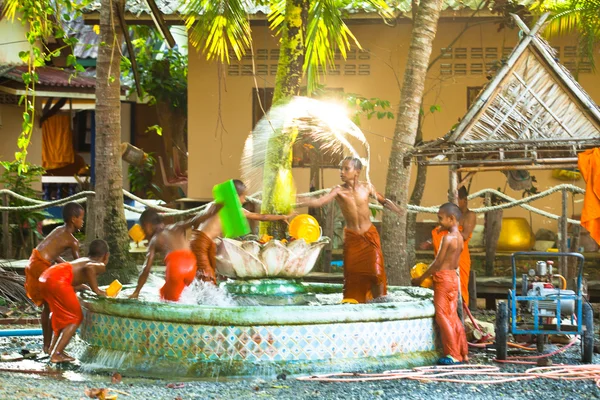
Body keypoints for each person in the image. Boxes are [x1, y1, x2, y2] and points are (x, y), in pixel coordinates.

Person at [296, 157, 403, 303]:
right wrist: (300, 200)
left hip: (370, 236)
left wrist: (399, 210)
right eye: (341, 169)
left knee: (376, 272)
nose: (342, 172)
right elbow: (320, 201)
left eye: (346, 169)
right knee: (353, 274)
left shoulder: (367, 187)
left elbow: (383, 201)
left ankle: (381, 302)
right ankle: (355, 303)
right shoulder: (338, 191)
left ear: (357, 172)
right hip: (353, 239)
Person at [190, 179, 293, 285]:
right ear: (235, 196)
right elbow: (262, 217)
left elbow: (196, 222)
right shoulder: (233, 209)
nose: (244, 200)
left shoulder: (214, 205)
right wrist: (283, 217)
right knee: (207, 278)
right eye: (243, 197)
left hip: (200, 240)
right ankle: (202, 299)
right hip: (201, 243)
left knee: (208, 274)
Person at [412, 203, 469, 365]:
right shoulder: (459, 238)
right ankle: (463, 352)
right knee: (454, 317)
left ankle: (452, 354)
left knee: (442, 316)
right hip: (453, 278)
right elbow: (455, 262)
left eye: (441, 218)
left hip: (443, 278)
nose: (439, 222)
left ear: (451, 219)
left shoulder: (447, 238)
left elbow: (437, 264)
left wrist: (420, 278)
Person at [24, 201, 84, 354]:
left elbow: (54, 254)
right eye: (81, 218)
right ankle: (52, 348)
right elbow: (80, 266)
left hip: (34, 261)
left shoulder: (58, 229)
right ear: (73, 219)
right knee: (54, 303)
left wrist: (64, 267)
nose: (82, 221)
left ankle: (47, 347)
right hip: (40, 266)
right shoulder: (73, 241)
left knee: (48, 306)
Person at [129, 204, 222, 301]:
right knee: (173, 294)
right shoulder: (176, 227)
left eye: (144, 230)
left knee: (167, 300)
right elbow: (195, 220)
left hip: (177, 266)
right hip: (191, 265)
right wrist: (213, 211)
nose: (144, 233)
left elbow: (146, 269)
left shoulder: (155, 239)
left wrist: (136, 292)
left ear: (147, 225)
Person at [39, 239, 109, 363]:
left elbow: (73, 274)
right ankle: (57, 354)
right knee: (76, 317)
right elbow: (89, 269)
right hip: (58, 280)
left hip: (47, 277)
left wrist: (80, 285)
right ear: (105, 256)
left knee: (61, 315)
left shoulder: (82, 260)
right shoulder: (99, 264)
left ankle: (53, 349)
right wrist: (96, 290)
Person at [428, 186, 476, 306]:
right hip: (445, 261)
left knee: (461, 292)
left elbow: (464, 235)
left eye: (455, 199)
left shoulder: (469, 215)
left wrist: (448, 227)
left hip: (460, 257)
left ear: (464, 200)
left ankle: (461, 319)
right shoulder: (447, 217)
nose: (452, 202)